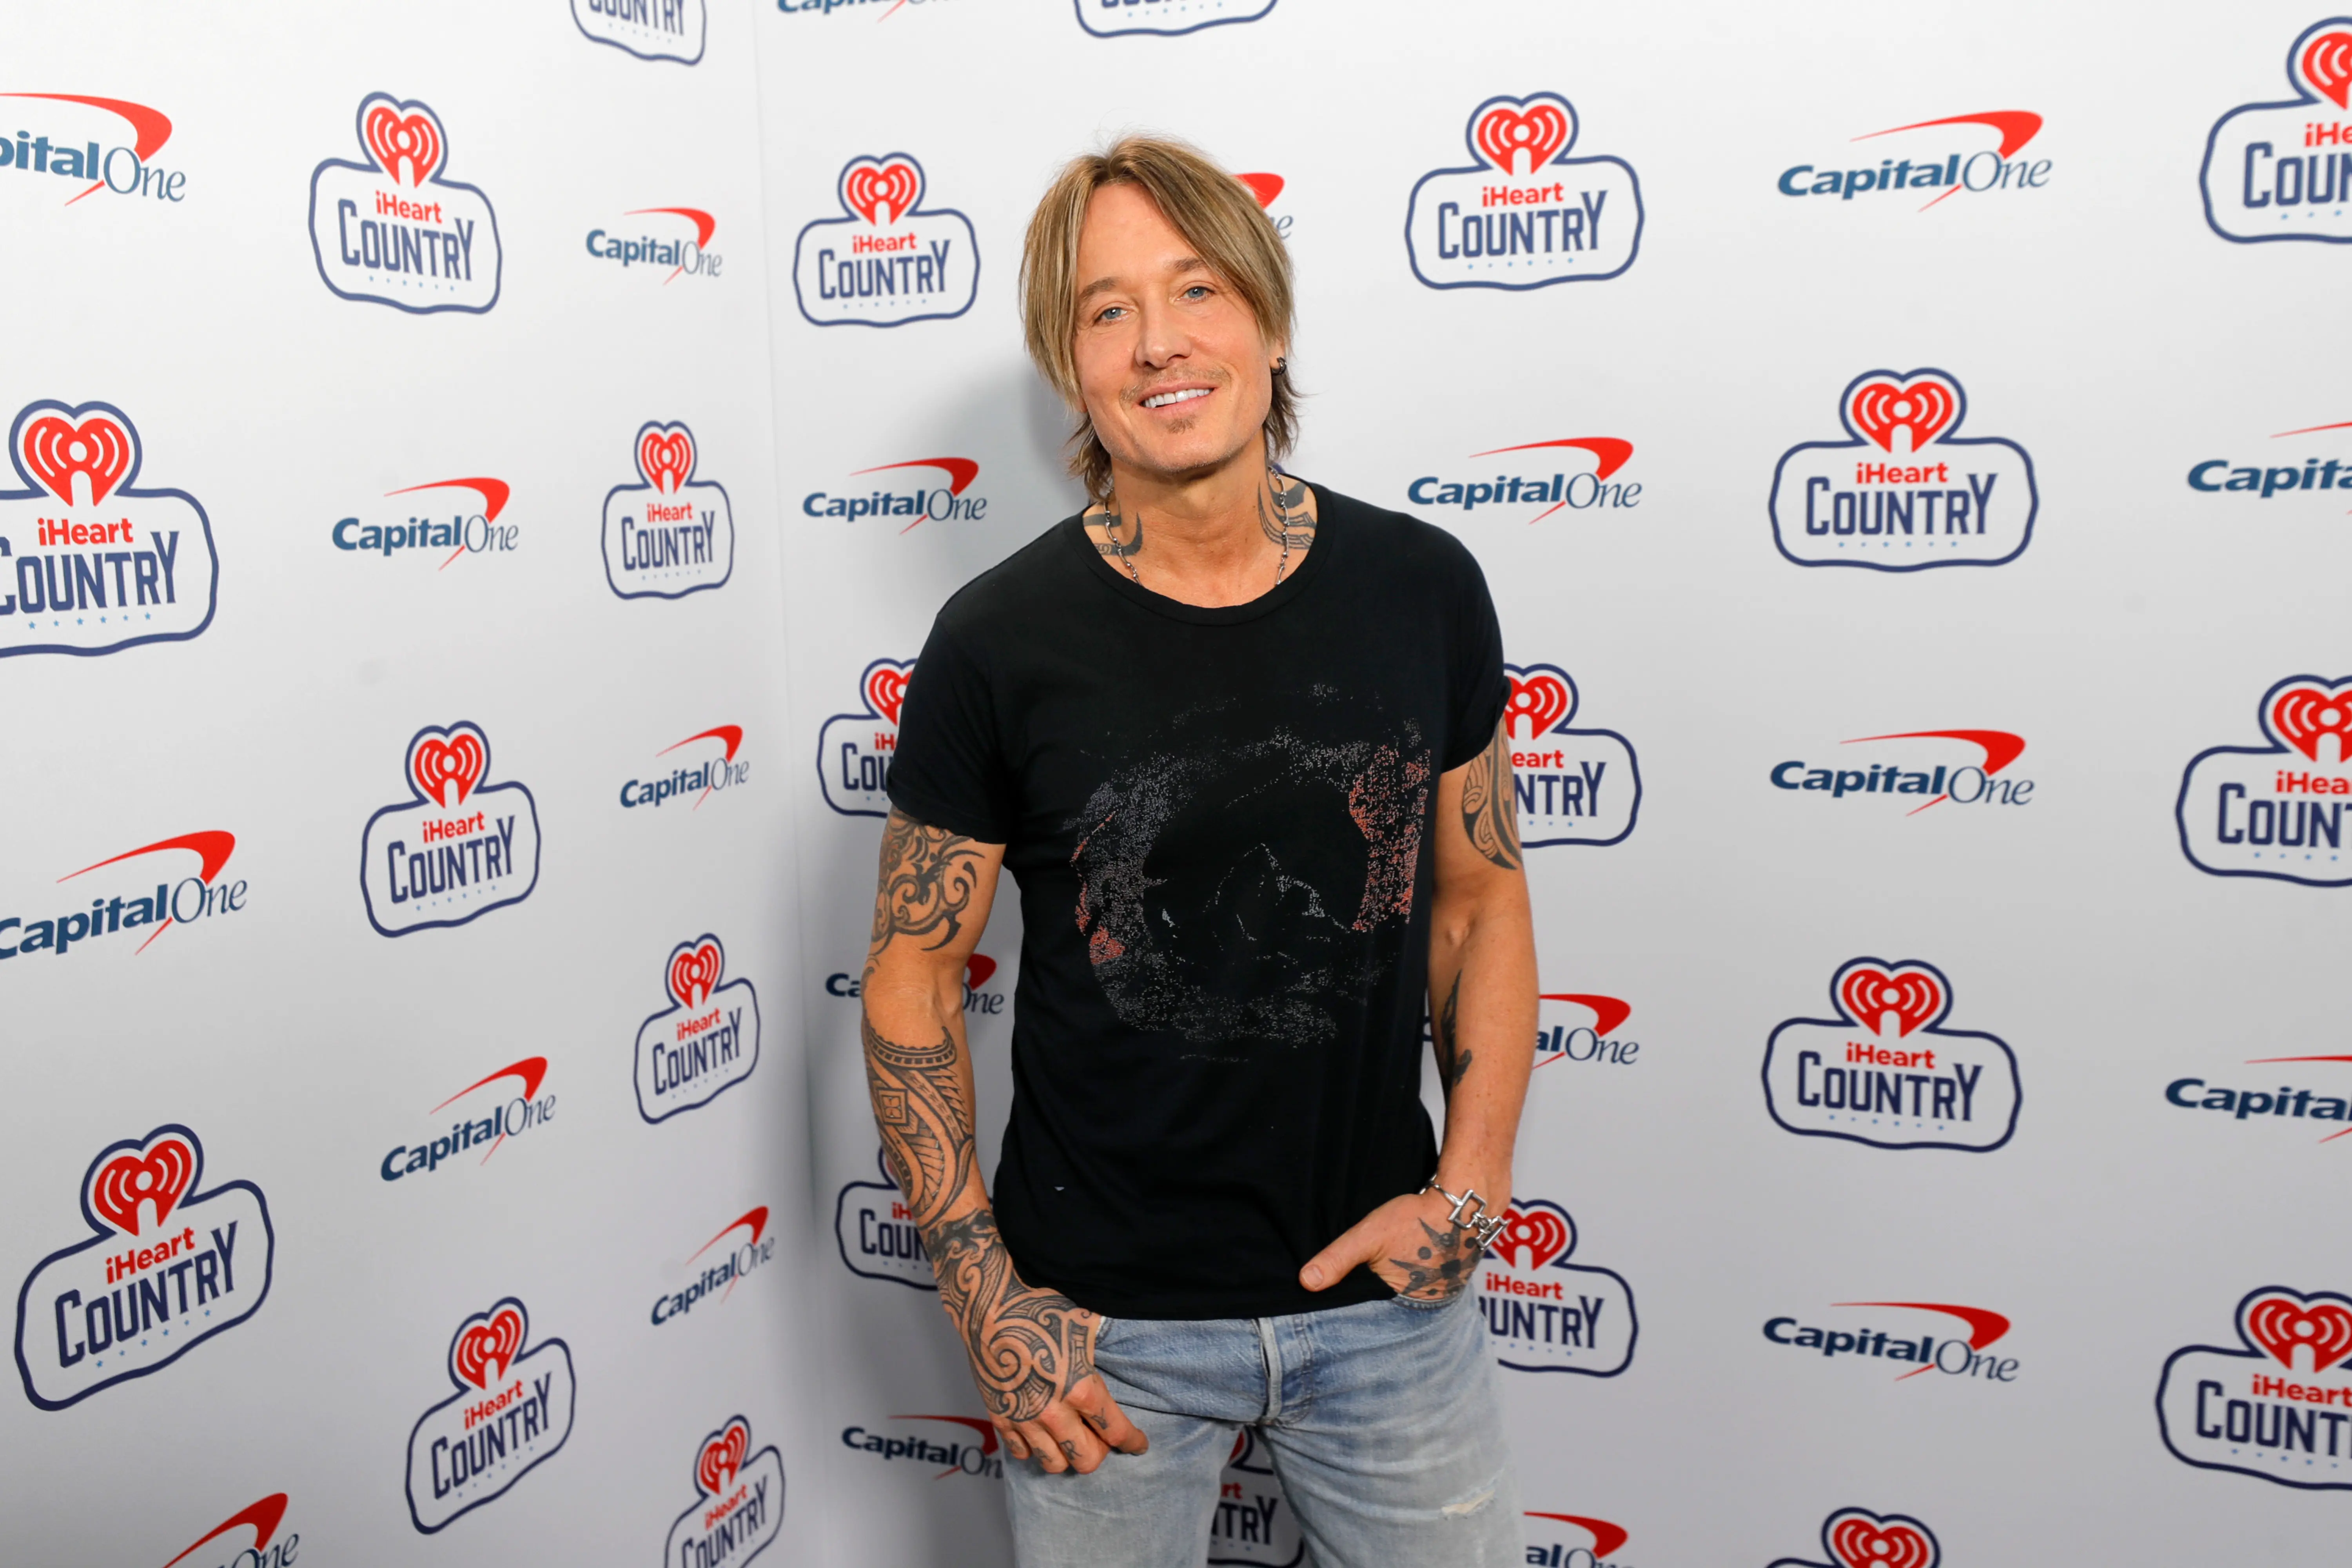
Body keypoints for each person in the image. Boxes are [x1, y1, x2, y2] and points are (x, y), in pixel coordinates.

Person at [858, 134, 1539, 1567]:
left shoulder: (1424, 590)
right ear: (1071, 364)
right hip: (1102, 1337)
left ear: (1271, 322)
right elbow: (913, 975)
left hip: (1384, 1316)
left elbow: (1477, 906)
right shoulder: (998, 642)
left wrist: (1467, 1191)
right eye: (1108, 311)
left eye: (1200, 289)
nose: (1161, 343)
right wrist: (988, 1298)